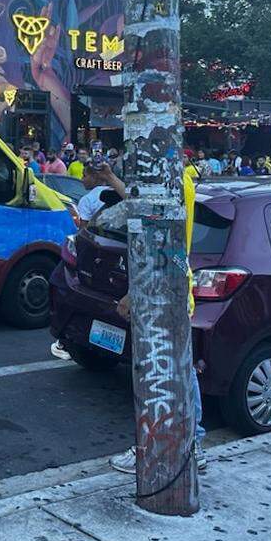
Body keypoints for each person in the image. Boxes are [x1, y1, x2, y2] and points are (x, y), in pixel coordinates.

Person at [110, 161, 206, 475]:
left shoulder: (175, 186)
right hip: (165, 286)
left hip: (166, 288)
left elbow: (155, 228)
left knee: (168, 367)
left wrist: (134, 292)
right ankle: (177, 442)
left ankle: (179, 444)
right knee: (168, 366)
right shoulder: (173, 182)